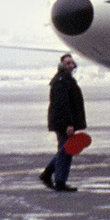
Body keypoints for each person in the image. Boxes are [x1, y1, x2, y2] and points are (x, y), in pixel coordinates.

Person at [39, 53, 87, 193]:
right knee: (66, 151)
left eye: (72, 62)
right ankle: (59, 181)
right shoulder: (62, 81)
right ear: (61, 66)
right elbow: (63, 105)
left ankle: (47, 174)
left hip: (62, 121)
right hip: (63, 122)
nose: (71, 65)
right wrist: (69, 124)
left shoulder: (66, 79)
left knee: (65, 149)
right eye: (67, 63)